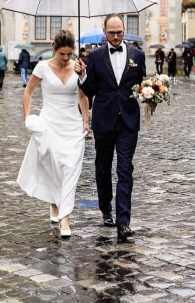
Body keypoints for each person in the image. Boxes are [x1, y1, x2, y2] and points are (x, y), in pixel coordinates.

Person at [75, 14, 146, 241]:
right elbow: (90, 90)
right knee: (103, 167)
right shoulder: (94, 57)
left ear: (124, 30)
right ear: (105, 33)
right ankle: (106, 208)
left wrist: (152, 94)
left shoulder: (138, 55)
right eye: (111, 33)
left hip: (128, 121)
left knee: (125, 170)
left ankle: (123, 221)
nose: (116, 37)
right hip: (104, 121)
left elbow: (141, 85)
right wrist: (82, 75)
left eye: (119, 32)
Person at [17, 30, 90, 239]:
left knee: (70, 168)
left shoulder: (77, 67)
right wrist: (27, 118)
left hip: (72, 125)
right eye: (62, 54)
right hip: (50, 123)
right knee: (54, 165)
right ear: (54, 49)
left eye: (69, 54)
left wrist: (86, 119)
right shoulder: (42, 67)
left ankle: (64, 218)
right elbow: (28, 92)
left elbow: (83, 96)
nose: (66, 58)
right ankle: (54, 203)